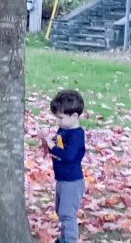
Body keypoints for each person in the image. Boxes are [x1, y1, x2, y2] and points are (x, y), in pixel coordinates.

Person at [42, 89, 86, 243]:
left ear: (74, 116)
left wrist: (53, 146)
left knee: (67, 213)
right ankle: (63, 237)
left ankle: (69, 239)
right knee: (60, 211)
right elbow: (56, 143)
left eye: (60, 117)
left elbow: (68, 155)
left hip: (72, 182)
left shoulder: (77, 135)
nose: (58, 122)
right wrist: (46, 141)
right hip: (61, 179)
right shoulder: (63, 129)